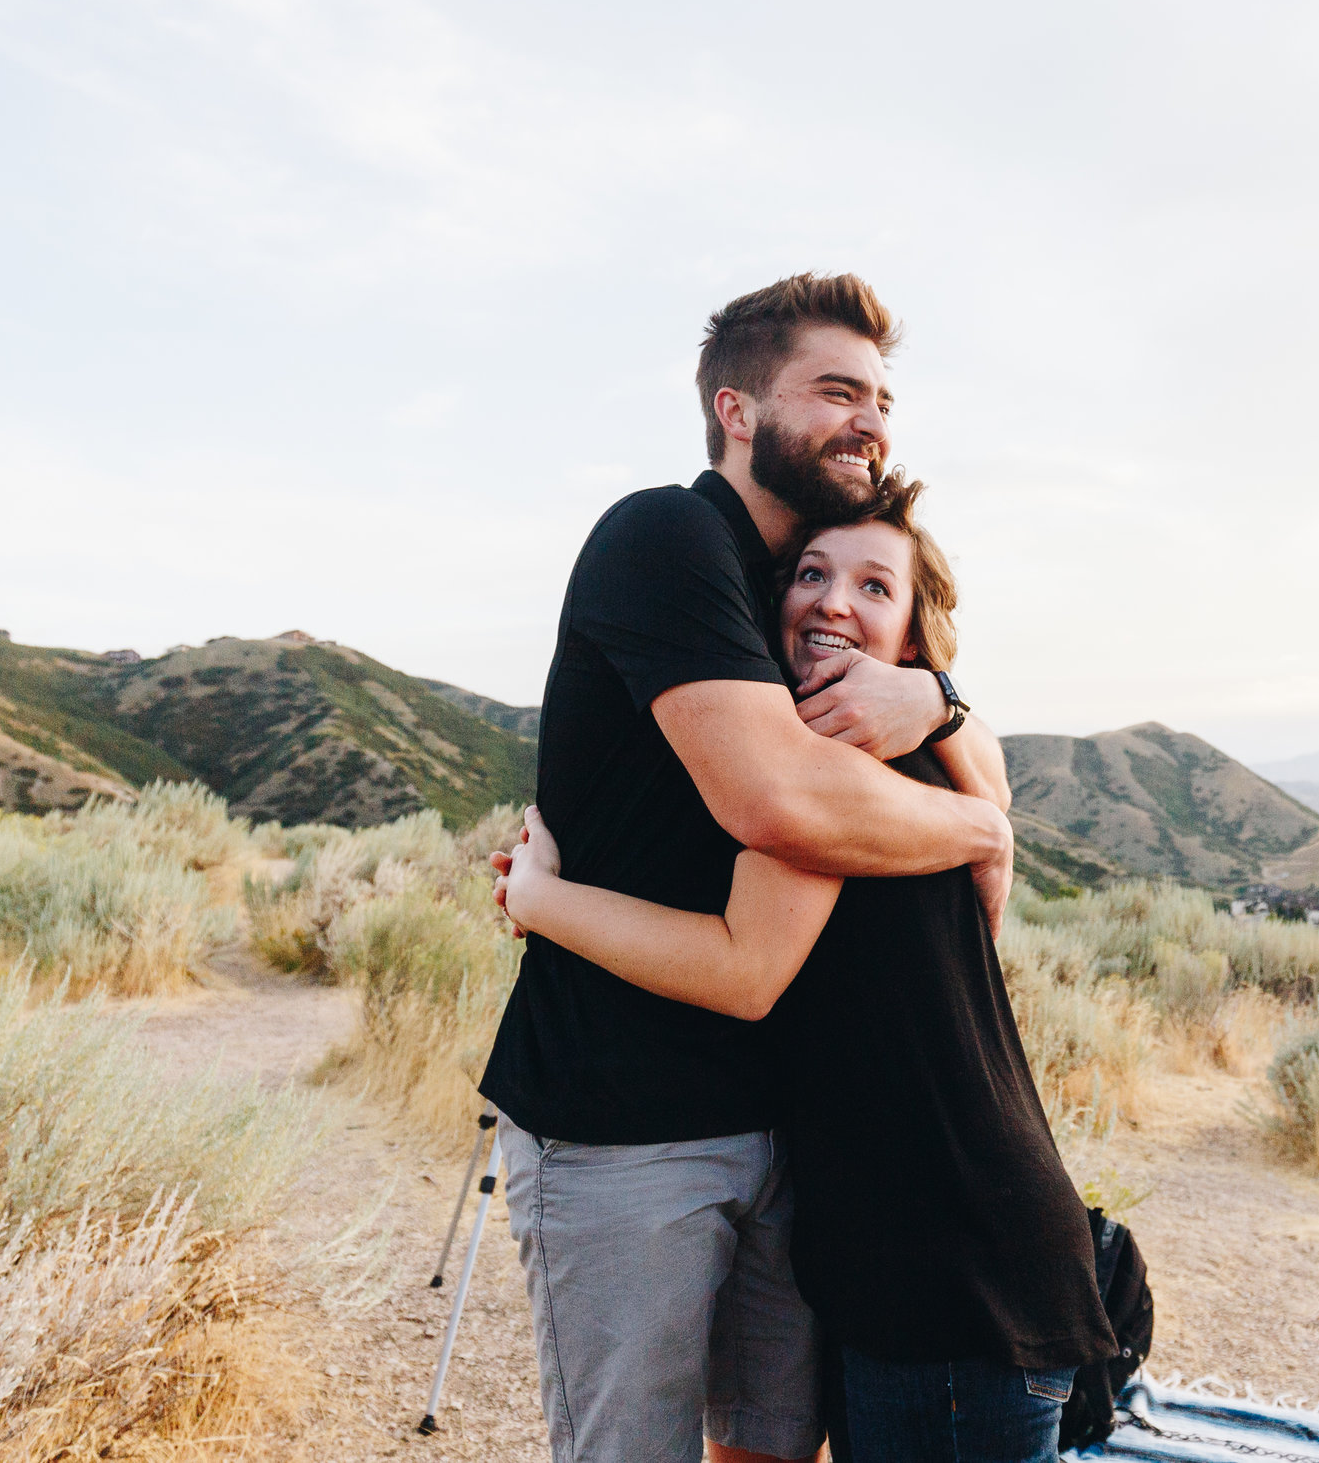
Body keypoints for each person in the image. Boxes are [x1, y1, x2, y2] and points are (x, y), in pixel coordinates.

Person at [477, 274, 1018, 1463]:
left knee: (771, 1448)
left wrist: (937, 698)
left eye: (881, 397)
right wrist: (980, 829)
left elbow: (943, 708)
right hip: (622, 1119)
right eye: (836, 390)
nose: (870, 419)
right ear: (735, 406)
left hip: (782, 1118)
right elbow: (779, 799)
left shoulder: (796, 593)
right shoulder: (664, 536)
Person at [496, 476, 1119, 1463]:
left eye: (875, 586)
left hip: (945, 1275)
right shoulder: (921, 768)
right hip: (942, 1255)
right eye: (812, 573)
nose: (833, 599)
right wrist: (956, 729)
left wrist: (540, 902)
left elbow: (747, 971)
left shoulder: (837, 786)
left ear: (913, 637)